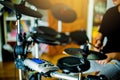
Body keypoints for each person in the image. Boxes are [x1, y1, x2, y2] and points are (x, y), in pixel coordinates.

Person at [84, 0, 120, 80]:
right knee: (72, 67)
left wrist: (112, 56)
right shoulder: (110, 12)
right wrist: (98, 42)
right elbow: (101, 33)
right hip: (103, 56)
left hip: (117, 61)